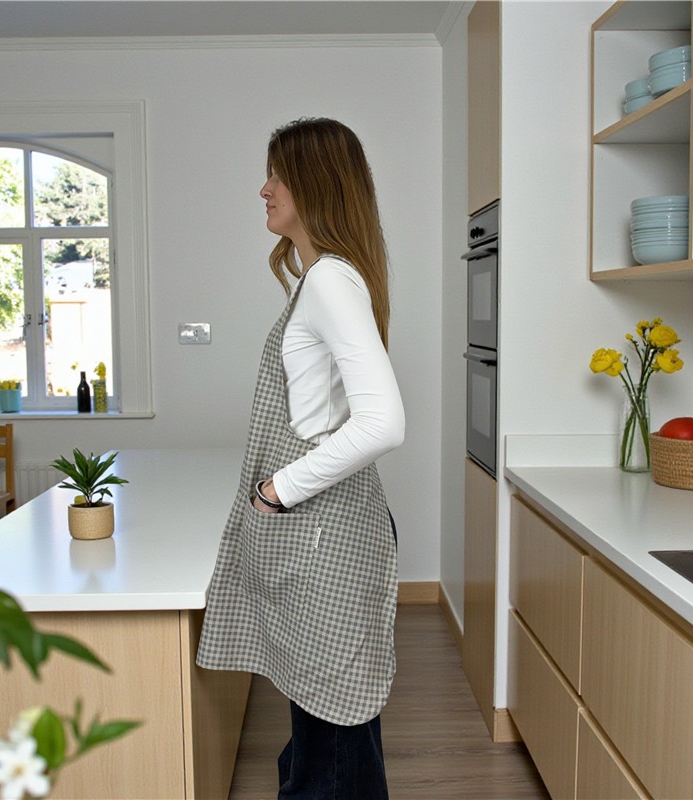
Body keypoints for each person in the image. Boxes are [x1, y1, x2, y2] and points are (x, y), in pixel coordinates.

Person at [196, 117, 405, 799]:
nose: (264, 189)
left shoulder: (330, 282)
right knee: (326, 727)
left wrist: (277, 489)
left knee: (334, 742)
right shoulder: (323, 279)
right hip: (324, 531)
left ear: (313, 183)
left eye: (277, 175)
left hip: (325, 532)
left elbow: (383, 422)